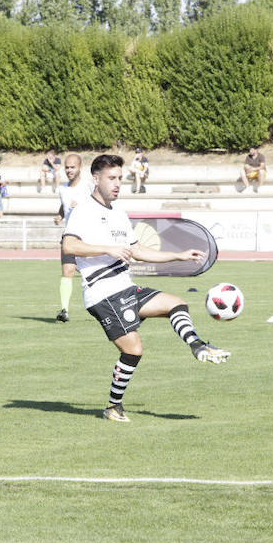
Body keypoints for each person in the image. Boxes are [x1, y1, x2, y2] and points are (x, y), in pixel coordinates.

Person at [61, 154, 230, 423]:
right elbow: (69, 246)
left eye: (120, 178)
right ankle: (113, 407)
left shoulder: (118, 212)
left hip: (124, 287)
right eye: (111, 178)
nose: (117, 184)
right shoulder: (84, 210)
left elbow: (137, 250)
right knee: (133, 350)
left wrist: (178, 255)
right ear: (96, 179)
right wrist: (108, 248)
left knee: (176, 303)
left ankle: (197, 346)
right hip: (102, 294)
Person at [52, 153, 91, 323]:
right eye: (67, 167)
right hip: (69, 236)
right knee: (67, 271)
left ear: (80, 168)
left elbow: (98, 205)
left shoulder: (88, 187)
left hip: (88, 237)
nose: (69, 170)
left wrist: (81, 206)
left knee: (92, 272)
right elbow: (64, 204)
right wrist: (60, 216)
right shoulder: (62, 189)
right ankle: (64, 310)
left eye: (72, 167)